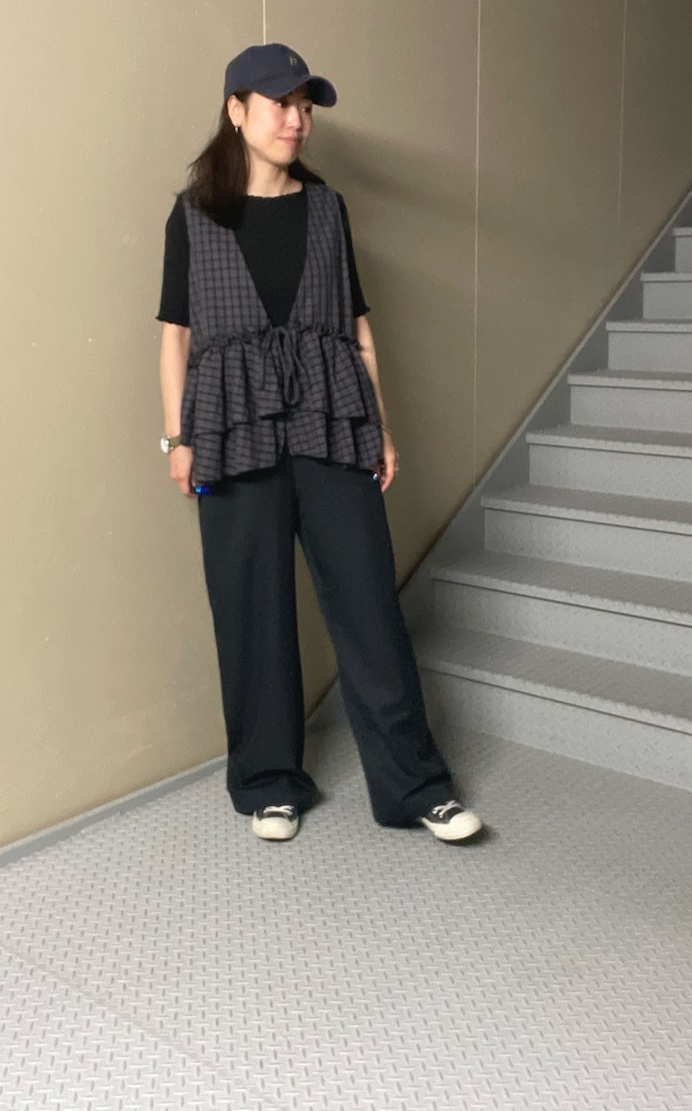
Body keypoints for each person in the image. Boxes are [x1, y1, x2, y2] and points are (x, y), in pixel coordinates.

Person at [156, 42, 482, 845]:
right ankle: (269, 782)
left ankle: (416, 786)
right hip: (230, 431)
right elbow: (175, 337)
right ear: (236, 109)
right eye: (281, 104)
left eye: (305, 106)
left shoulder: (328, 209)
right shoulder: (193, 215)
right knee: (251, 607)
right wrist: (178, 438)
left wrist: (381, 426)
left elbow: (358, 329)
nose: (297, 120)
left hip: (330, 420)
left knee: (368, 601)